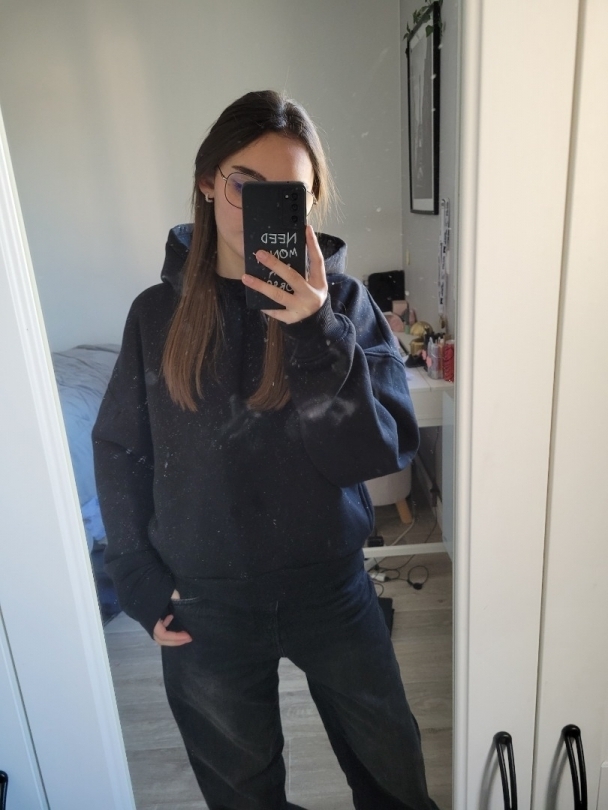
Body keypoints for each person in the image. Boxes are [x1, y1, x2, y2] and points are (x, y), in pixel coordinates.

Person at [93, 89, 440, 810]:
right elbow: (120, 447)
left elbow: (372, 455)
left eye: (289, 194)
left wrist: (315, 331)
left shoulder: (346, 308)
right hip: (206, 603)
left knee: (397, 783)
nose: (260, 209)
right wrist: (136, 576)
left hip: (332, 591)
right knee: (243, 798)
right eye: (243, 185)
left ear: (310, 203)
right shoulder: (156, 316)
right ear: (206, 181)